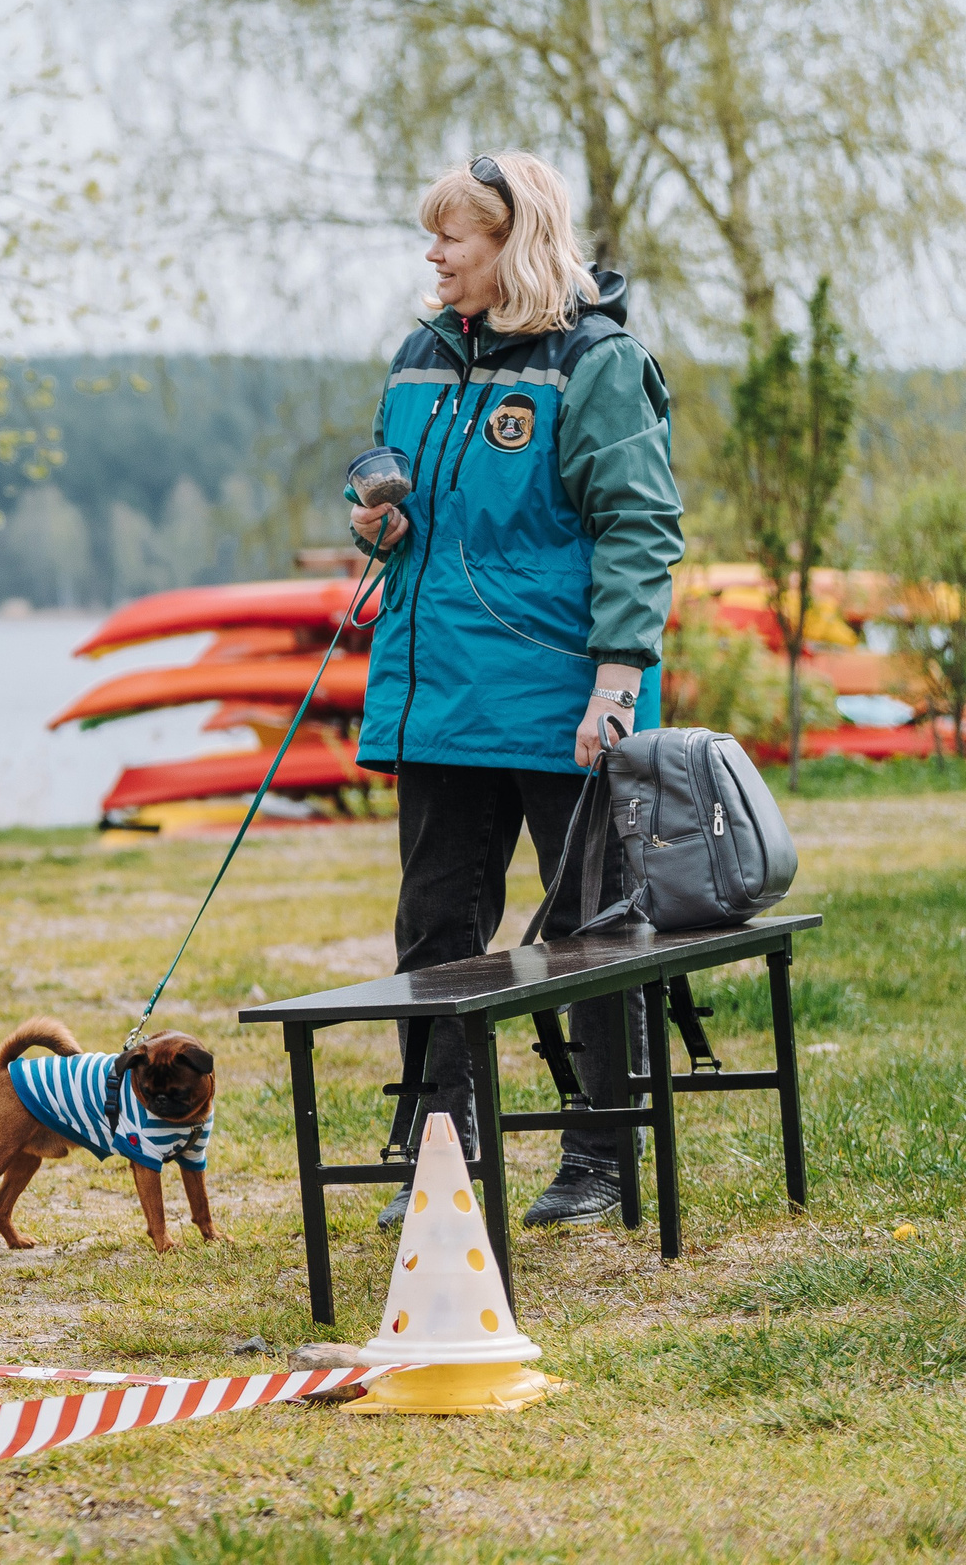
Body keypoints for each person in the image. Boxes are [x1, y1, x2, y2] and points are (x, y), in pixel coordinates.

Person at [350, 151, 684, 1230]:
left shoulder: (595, 361)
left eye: (456, 236)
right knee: (433, 931)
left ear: (515, 242)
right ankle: (440, 1148)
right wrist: (375, 526)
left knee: (592, 929)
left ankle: (597, 1157)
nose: (434, 254)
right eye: (432, 234)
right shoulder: (416, 355)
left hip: (563, 697)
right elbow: (417, 504)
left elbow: (638, 526)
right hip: (439, 692)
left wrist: (616, 681)